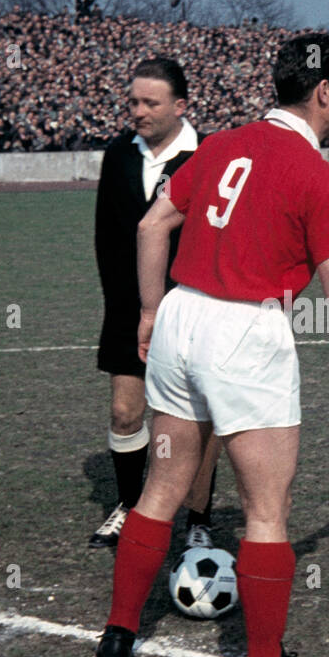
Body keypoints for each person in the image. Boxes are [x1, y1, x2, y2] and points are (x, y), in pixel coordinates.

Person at [95, 34, 329, 657]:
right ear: (322, 91)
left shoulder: (219, 144)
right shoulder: (317, 174)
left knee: (158, 490)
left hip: (182, 317)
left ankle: (119, 632)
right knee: (267, 509)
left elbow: (153, 227)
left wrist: (150, 312)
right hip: (246, 331)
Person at [91, 57, 221, 550]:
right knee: (126, 413)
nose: (138, 111)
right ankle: (129, 506)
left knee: (197, 420)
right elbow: (106, 235)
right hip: (128, 308)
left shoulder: (208, 154)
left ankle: (198, 519)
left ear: (181, 106)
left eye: (151, 102)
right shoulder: (118, 154)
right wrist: (118, 303)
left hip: (193, 308)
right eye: (133, 101)